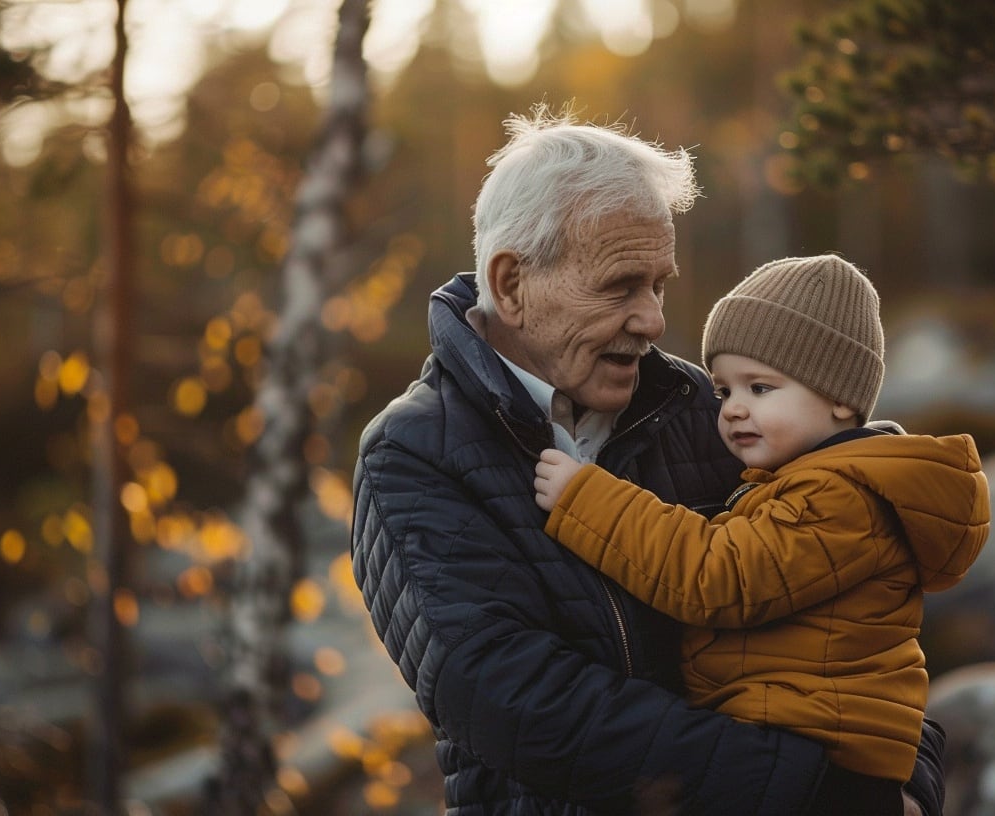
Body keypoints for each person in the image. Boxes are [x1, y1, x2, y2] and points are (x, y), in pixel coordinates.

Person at [350, 105, 949, 815]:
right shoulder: (414, 453)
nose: (653, 321)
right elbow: (518, 700)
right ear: (510, 284)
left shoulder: (702, 408)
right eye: (620, 286)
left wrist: (909, 775)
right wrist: (818, 795)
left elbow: (858, 605)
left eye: (659, 284)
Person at [533, 254, 990, 816]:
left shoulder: (838, 500)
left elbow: (715, 576)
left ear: (840, 397)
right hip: (791, 744)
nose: (732, 410)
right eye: (724, 391)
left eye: (760, 387)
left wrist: (588, 500)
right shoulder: (801, 483)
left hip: (819, 759)